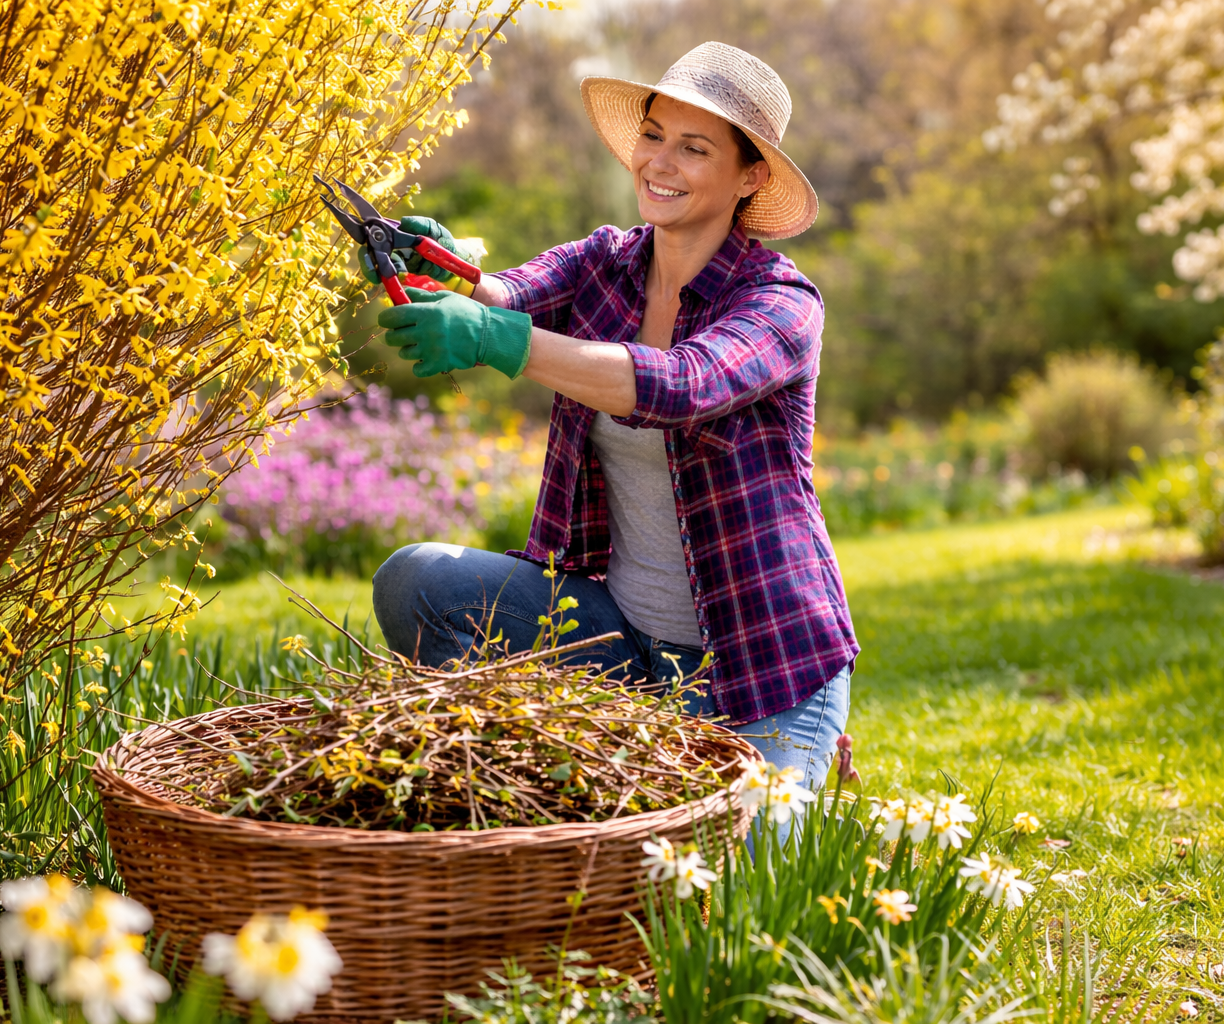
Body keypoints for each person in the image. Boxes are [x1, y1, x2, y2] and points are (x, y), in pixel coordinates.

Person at [367, 42, 858, 793]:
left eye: (694, 148)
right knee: (417, 583)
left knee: (740, 860)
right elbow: (508, 292)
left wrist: (497, 339)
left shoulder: (782, 305)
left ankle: (808, 758)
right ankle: (504, 771)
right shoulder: (606, 263)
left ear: (750, 177)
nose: (659, 162)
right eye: (653, 136)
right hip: (618, 643)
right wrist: (455, 271)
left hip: (763, 667)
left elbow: (683, 383)